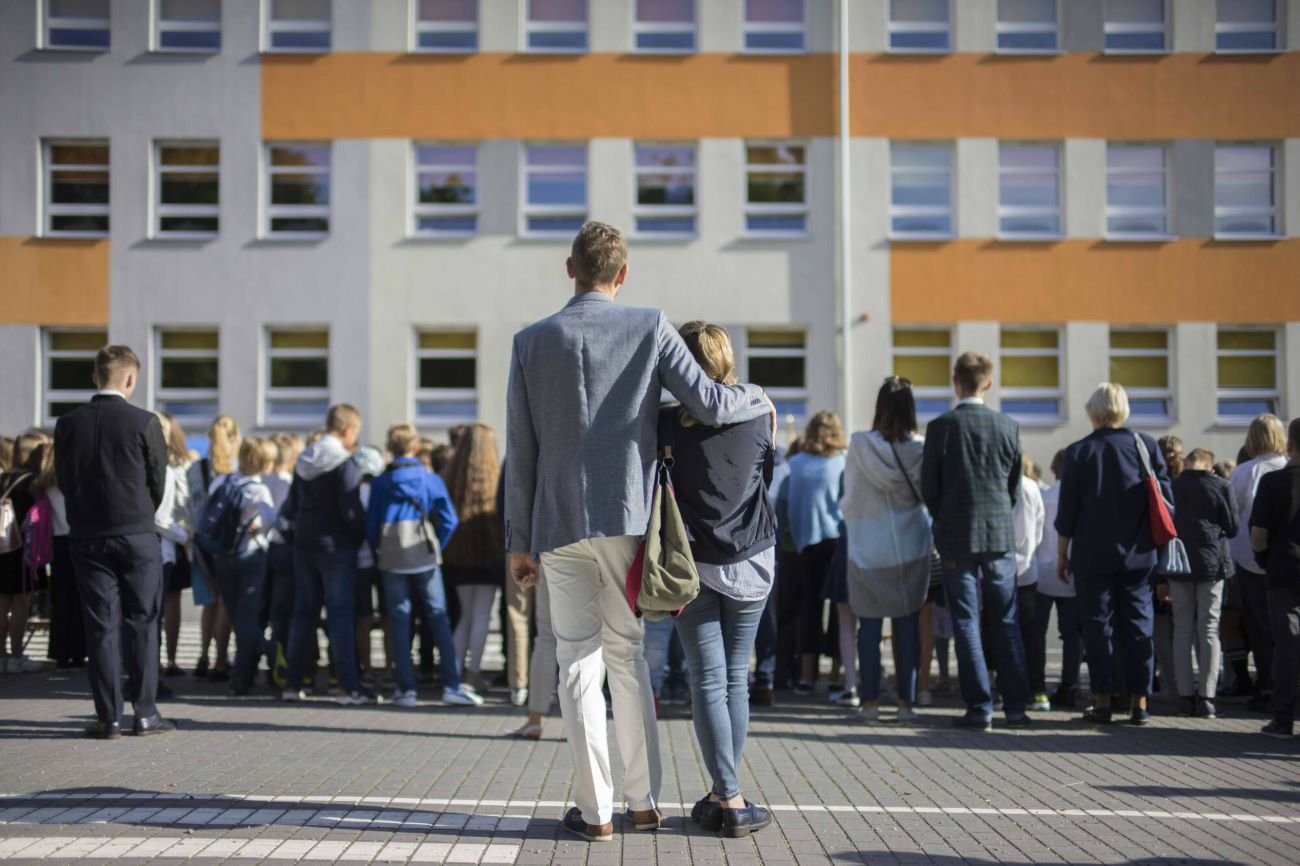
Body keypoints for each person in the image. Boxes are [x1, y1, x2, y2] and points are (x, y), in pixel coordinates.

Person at [504, 221, 772, 842]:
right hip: (628, 520)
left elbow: (523, 450)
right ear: (622, 275)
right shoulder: (650, 326)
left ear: (569, 267)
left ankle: (594, 812)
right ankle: (643, 802)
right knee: (626, 658)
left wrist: (519, 542)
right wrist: (758, 400)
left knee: (576, 663)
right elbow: (708, 403)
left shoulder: (528, 342)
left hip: (558, 524)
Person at [656, 322, 776, 838]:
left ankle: (724, 792)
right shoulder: (762, 412)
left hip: (691, 561)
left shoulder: (664, 424)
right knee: (735, 679)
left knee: (707, 680)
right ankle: (726, 792)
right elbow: (765, 476)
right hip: (753, 556)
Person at [53, 345, 173, 738]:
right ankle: (144, 713)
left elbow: (65, 479)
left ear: (94, 376)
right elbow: (158, 478)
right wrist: (141, 513)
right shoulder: (144, 422)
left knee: (100, 626)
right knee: (142, 621)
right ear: (131, 379)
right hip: (137, 532)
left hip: (88, 534)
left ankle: (108, 718)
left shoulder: (68, 423)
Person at [920, 352, 1029, 731]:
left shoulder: (941, 427)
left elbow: (928, 487)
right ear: (989, 383)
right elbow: (1013, 485)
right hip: (998, 534)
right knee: (1007, 620)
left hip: (955, 535)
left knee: (966, 621)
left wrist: (943, 516)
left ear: (955, 382)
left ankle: (980, 707)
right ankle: (1015, 706)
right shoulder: (1008, 426)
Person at [1055, 383, 1171, 726]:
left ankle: (1103, 700)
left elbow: (1068, 512)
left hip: (1092, 555)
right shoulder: (1145, 446)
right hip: (1139, 553)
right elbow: (1165, 500)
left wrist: (1063, 554)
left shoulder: (1078, 452)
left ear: (1093, 412)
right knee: (1139, 626)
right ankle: (1140, 701)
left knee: (1097, 627)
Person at [841, 377, 930, 724]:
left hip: (866, 547)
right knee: (908, 625)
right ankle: (907, 703)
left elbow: (849, 497)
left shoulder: (860, 445)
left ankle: (870, 703)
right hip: (910, 547)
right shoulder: (920, 449)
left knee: (870, 626)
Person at [281, 404, 374, 705]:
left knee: (303, 614)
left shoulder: (303, 460)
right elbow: (351, 509)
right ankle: (348, 686)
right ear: (347, 430)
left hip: (304, 544)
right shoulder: (345, 463)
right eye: (355, 433)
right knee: (340, 616)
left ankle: (292, 684)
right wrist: (362, 535)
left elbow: (292, 504)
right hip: (337, 547)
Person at [779, 412, 847, 697]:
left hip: (805, 544)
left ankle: (807, 675)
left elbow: (783, 505)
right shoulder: (842, 463)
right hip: (838, 540)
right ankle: (836, 674)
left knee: (810, 608)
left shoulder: (793, 465)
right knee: (839, 611)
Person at [1169, 447, 1237, 720]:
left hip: (1178, 564)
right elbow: (1232, 526)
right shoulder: (1221, 485)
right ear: (1210, 466)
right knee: (1209, 628)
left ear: (1187, 463)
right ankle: (1207, 697)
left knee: (1182, 629)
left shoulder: (1173, 486)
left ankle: (1185, 696)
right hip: (1211, 564)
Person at [208, 438, 278, 696]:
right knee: (248, 616)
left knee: (236, 615)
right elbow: (270, 521)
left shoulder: (223, 482)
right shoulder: (259, 490)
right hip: (251, 556)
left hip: (222, 557)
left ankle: (243, 672)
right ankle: (254, 663)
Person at [1229, 414, 1289, 713]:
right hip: (1286, 561)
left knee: (1260, 628)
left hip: (1249, 559)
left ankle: (1267, 686)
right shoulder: (1286, 468)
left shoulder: (1244, 472)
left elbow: (1232, 514)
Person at [442, 423, 504, 694]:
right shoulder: (495, 478)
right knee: (481, 615)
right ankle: (473, 674)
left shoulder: (450, 476)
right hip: (490, 554)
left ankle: (454, 673)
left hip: (458, 554)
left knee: (466, 616)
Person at [1249, 417, 1300, 739]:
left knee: (1287, 646)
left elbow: (1258, 534)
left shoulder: (1273, 482)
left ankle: (1282, 720)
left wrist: (1264, 559)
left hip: (1283, 570)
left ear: (1289, 445)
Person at [188, 415, 239, 680]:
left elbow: (189, 507)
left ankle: (203, 654)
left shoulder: (196, 469)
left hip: (201, 540)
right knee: (225, 602)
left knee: (209, 602)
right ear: (234, 438)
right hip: (227, 543)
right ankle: (221, 659)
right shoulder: (235, 467)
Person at [1033, 451, 1079, 710]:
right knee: (1071, 635)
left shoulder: (1045, 496)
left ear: (1053, 469)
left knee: (1037, 633)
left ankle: (1037, 685)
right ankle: (1069, 685)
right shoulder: (1079, 498)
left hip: (1043, 570)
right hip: (1070, 572)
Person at [34, 445, 84, 669]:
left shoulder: (46, 483)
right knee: (79, 598)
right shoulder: (75, 480)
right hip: (77, 539)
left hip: (56, 541)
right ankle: (79, 650)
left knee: (60, 599)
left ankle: (60, 651)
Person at [0, 437, 42, 673]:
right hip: (22, 549)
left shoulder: (2, 477)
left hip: (1, 547)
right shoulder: (32, 482)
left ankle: (1, 654)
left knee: (1, 600)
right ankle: (17, 655)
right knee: (20, 603)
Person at [157, 413, 193, 679]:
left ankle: (167, 658)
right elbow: (160, 516)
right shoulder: (167, 468)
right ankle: (157, 661)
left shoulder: (176, 466)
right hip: (166, 539)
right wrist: (184, 535)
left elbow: (183, 505)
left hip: (171, 542)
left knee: (168, 603)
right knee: (157, 607)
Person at [264, 432, 301, 686]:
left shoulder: (262, 479)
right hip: (285, 548)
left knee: (264, 610)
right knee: (283, 610)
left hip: (262, 549)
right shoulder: (288, 483)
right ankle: (280, 663)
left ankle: (264, 662)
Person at [1012, 455, 1046, 711]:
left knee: (1000, 630)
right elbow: (1039, 527)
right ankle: (1037, 689)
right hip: (1028, 569)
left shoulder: (1002, 484)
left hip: (1003, 568)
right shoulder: (1032, 487)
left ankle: (1007, 688)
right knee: (1031, 634)